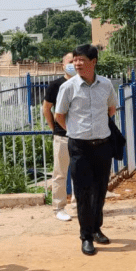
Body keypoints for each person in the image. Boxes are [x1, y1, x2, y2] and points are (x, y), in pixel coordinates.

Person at [53, 44, 118, 256]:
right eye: (75, 60)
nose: (77, 64)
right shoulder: (69, 87)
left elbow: (111, 109)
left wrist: (98, 129)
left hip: (103, 145)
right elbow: (59, 115)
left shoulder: (106, 85)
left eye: (81, 60)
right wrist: (75, 131)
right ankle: (86, 237)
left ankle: (97, 228)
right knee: (82, 192)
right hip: (79, 147)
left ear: (94, 62)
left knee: (100, 190)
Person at [42, 52, 76, 221]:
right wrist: (53, 128)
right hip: (62, 136)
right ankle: (58, 207)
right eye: (70, 62)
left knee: (81, 171)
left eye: (76, 61)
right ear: (63, 65)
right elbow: (46, 108)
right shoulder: (56, 85)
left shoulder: (83, 83)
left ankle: (78, 203)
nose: (74, 64)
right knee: (60, 173)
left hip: (81, 136)